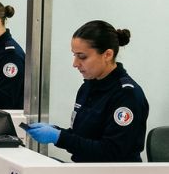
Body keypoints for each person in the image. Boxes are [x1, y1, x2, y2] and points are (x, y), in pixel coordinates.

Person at [24, 21, 148, 162]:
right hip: (84, 171)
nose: (75, 63)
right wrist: (57, 131)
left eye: (82, 57)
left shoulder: (126, 95)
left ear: (107, 55)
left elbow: (111, 152)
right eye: (74, 55)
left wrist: (59, 137)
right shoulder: (88, 87)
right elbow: (82, 136)